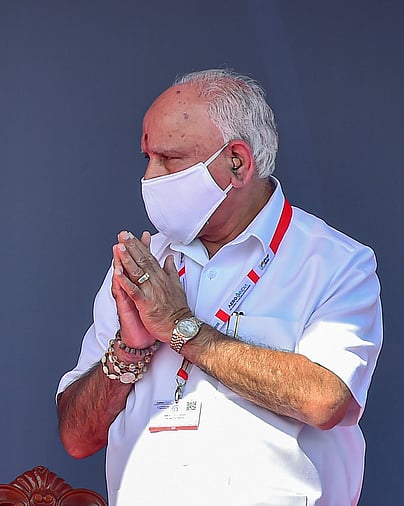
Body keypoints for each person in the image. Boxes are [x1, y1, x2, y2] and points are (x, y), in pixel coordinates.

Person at [56, 69, 382, 505]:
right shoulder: (143, 262)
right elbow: (77, 438)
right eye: (147, 158)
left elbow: (326, 400)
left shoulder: (335, 262)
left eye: (170, 160)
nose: (151, 177)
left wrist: (180, 327)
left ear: (238, 163)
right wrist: (128, 350)